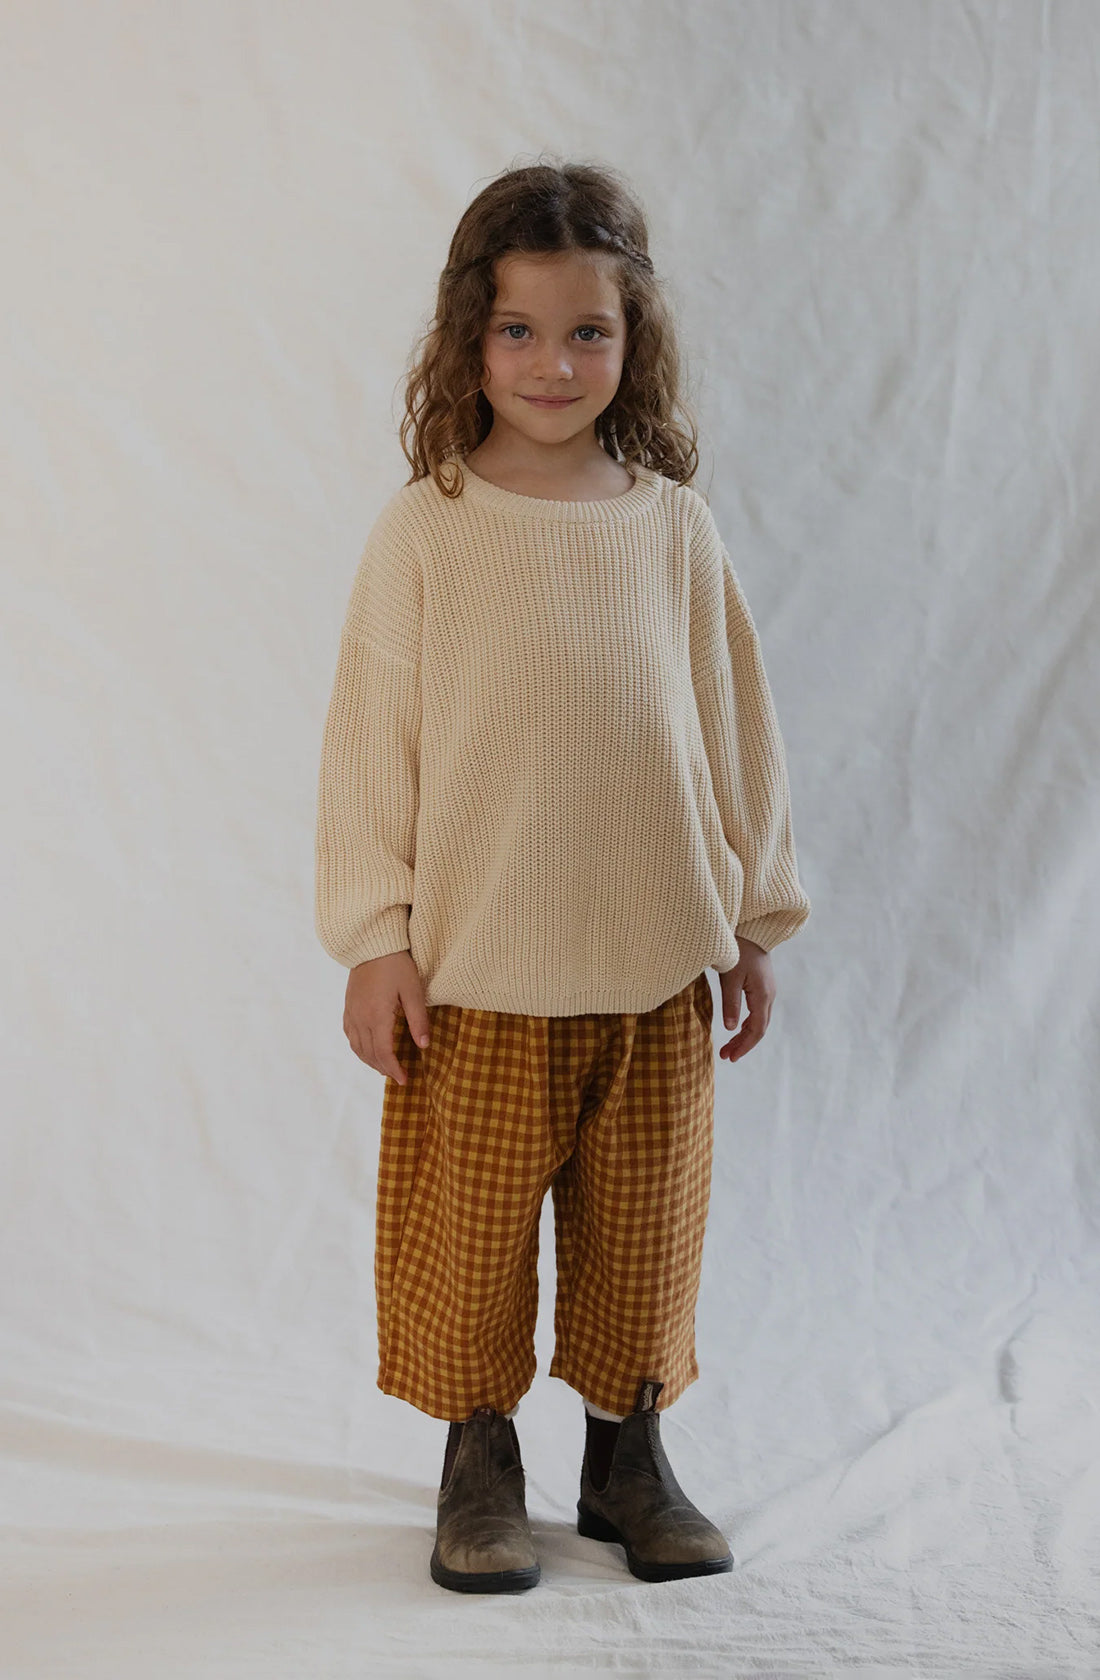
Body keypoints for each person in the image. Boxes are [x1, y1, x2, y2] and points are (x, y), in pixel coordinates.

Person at [314, 158, 812, 1594]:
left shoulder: (670, 527)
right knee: (467, 1242)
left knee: (643, 1234)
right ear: (469, 336)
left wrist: (752, 918)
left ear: (633, 339)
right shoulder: (431, 527)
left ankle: (626, 1458)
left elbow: (733, 731)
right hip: (475, 970)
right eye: (519, 329)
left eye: (587, 331)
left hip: (653, 958)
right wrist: (376, 933)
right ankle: (480, 1460)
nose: (552, 362)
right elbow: (370, 746)